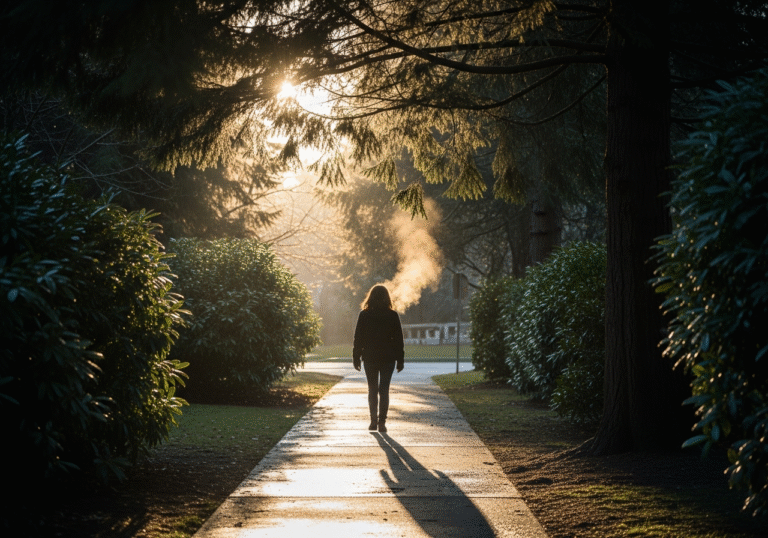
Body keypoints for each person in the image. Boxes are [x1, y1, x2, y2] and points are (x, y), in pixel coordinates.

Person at [353, 284, 405, 432]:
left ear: (370, 297)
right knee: (384, 390)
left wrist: (356, 357)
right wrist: (400, 360)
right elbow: (398, 339)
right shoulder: (392, 315)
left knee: (372, 389)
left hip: (370, 357)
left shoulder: (364, 315)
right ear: (387, 298)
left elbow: (358, 338)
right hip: (388, 358)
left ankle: (373, 421)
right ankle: (382, 422)